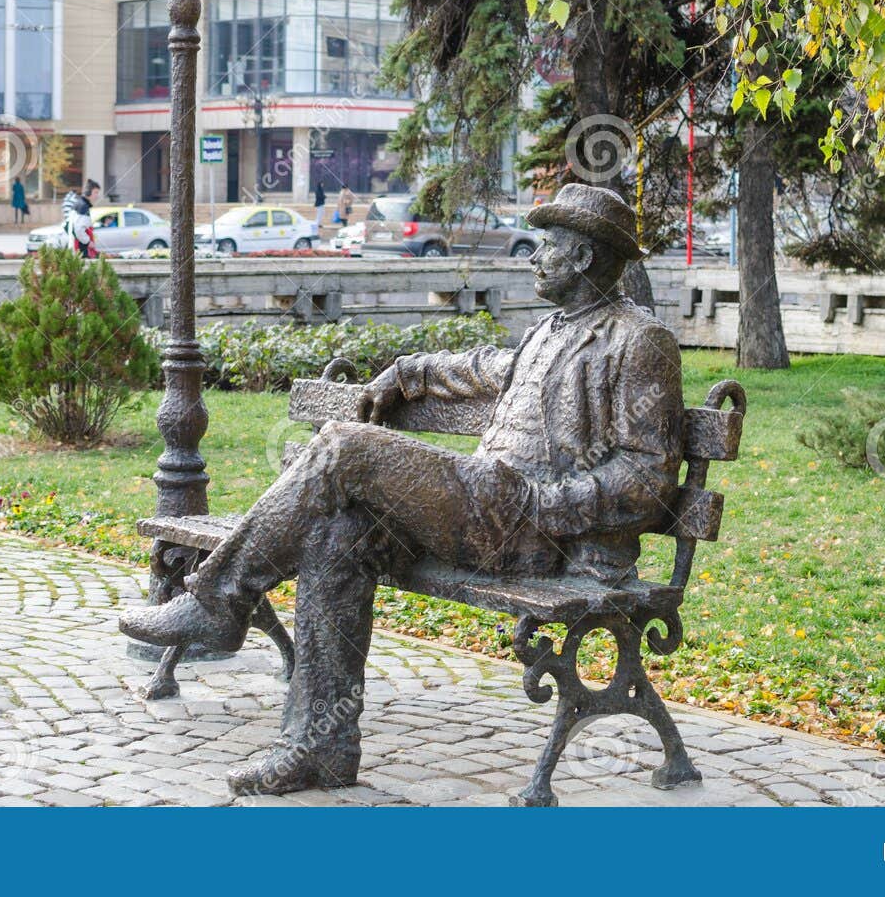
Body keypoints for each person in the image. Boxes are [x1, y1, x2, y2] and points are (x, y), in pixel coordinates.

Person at [120, 185, 684, 795]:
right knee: (338, 539)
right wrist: (408, 370)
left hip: (535, 529)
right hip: (483, 509)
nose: (533, 256)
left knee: (343, 445)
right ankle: (318, 747)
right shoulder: (549, 331)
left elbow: (647, 478)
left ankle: (217, 604)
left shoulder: (639, 341)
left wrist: (543, 503)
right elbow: (477, 369)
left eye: (548, 245)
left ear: (581, 258)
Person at [62, 183, 95, 258]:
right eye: (95, 192)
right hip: (79, 242)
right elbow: (78, 229)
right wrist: (87, 241)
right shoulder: (80, 204)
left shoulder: (73, 201)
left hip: (72, 229)